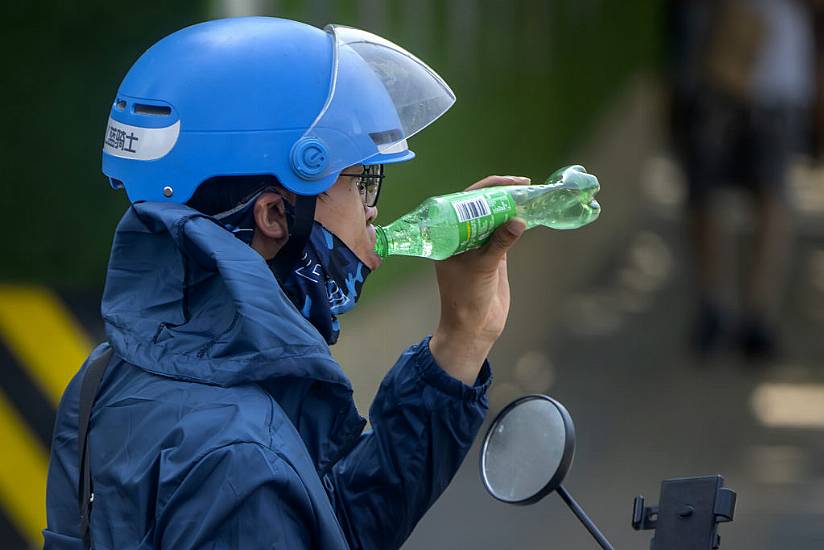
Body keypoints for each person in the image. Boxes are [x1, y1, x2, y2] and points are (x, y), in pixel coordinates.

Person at [44, 17, 529, 549]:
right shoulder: (240, 461)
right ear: (276, 215)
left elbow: (330, 524)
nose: (373, 212)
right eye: (362, 182)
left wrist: (462, 336)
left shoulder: (112, 373)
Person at [668, 0, 815, 360]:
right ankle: (712, 306)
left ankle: (757, 315)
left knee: (772, 199)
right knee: (705, 198)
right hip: (716, 72)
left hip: (778, 82)